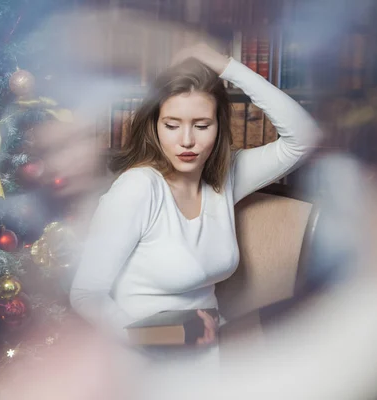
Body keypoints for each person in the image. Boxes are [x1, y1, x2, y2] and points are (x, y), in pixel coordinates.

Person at [68, 42, 322, 354]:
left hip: (207, 356)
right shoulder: (138, 188)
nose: (187, 141)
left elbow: (305, 137)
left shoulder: (224, 178)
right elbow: (85, 295)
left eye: (202, 125)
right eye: (172, 125)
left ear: (219, 126)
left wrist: (224, 65)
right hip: (142, 357)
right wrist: (160, 339)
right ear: (154, 125)